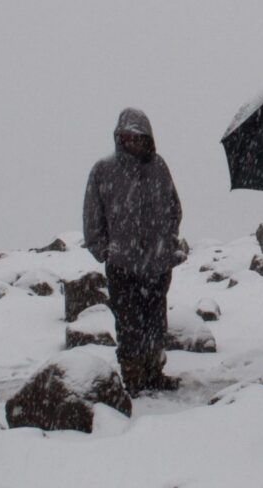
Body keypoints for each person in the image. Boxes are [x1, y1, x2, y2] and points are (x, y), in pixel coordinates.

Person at [84, 108, 185, 396]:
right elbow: (93, 216)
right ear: (118, 138)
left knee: (155, 322)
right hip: (122, 265)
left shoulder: (159, 167)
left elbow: (174, 207)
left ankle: (154, 372)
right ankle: (133, 377)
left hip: (157, 263)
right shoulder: (103, 170)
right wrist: (103, 250)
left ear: (147, 137)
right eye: (126, 136)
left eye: (137, 136)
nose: (132, 141)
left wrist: (167, 241)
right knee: (128, 324)